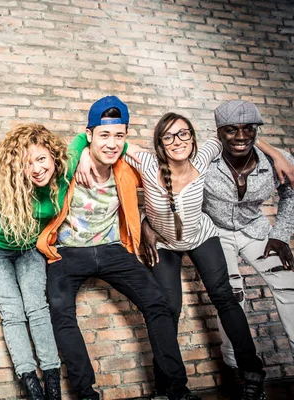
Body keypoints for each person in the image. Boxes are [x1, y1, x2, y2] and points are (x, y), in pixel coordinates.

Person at [37, 96, 199, 400]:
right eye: (104, 135)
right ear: (90, 135)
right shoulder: (71, 161)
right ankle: (86, 395)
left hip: (112, 249)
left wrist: (148, 225)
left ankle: (176, 391)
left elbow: (161, 183)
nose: (111, 144)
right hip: (66, 252)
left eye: (119, 136)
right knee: (60, 313)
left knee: (158, 303)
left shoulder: (126, 168)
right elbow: (40, 158)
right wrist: (80, 152)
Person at [124, 111, 287, 400]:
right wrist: (146, 221)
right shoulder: (148, 164)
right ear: (160, 143)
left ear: (192, 137)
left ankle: (252, 376)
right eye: (169, 136)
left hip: (203, 237)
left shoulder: (203, 157)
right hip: (165, 245)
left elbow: (242, 139)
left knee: (225, 297)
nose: (178, 140)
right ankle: (167, 388)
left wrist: (277, 154)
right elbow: (111, 144)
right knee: (167, 309)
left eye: (184, 133)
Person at [0, 124, 89, 399]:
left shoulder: (64, 171)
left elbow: (82, 138)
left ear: (53, 156)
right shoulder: (5, 178)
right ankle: (31, 386)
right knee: (13, 314)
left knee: (38, 310)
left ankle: (53, 385)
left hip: (29, 250)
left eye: (41, 159)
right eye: (27, 163)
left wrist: (95, 151)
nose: (37, 168)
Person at [203, 101, 294, 377]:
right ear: (219, 132)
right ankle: (236, 367)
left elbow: (290, 194)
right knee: (233, 296)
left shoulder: (276, 161)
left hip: (255, 230)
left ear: (256, 131)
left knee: (290, 287)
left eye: (248, 129)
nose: (241, 137)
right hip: (216, 232)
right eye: (231, 130)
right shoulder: (205, 159)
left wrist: (279, 234)